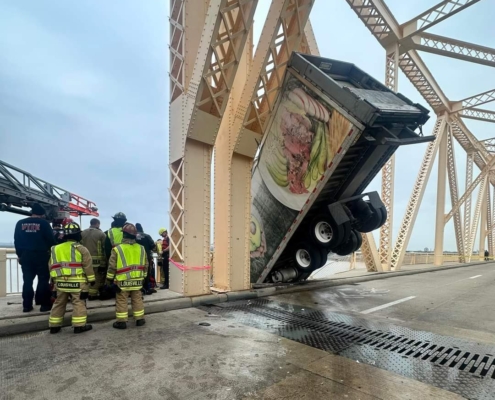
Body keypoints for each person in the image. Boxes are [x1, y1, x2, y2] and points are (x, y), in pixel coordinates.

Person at [48, 222, 95, 334]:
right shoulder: (81, 249)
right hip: (78, 282)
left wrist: (53, 281)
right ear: (78, 235)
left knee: (59, 303)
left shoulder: (55, 249)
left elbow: (51, 266)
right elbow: (87, 266)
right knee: (79, 303)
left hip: (60, 282)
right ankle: (79, 326)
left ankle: (54, 326)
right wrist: (91, 280)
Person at [14, 203, 56, 313]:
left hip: (26, 256)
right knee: (43, 279)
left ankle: (27, 306)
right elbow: (51, 241)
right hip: (41, 255)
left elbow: (16, 241)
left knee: (27, 281)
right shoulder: (44, 223)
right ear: (42, 214)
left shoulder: (20, 223)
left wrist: (20, 255)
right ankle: (43, 305)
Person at [106, 223, 147, 329]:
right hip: (138, 280)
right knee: (137, 299)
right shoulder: (141, 248)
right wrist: (144, 277)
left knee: (121, 300)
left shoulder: (117, 249)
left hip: (122, 280)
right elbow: (146, 264)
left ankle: (121, 322)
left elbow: (112, 266)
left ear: (124, 234)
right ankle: (140, 319)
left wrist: (109, 279)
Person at [81, 218, 107, 300]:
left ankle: (85, 292)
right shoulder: (101, 234)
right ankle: (92, 294)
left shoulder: (82, 233)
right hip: (97, 261)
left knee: (85, 277)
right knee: (97, 277)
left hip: (84, 260)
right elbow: (104, 248)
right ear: (97, 224)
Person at [136, 223, 156, 295]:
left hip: (136, 258)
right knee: (146, 272)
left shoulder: (133, 236)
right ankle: (146, 288)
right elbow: (153, 245)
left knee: (136, 272)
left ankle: (137, 289)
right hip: (146, 256)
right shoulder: (147, 236)